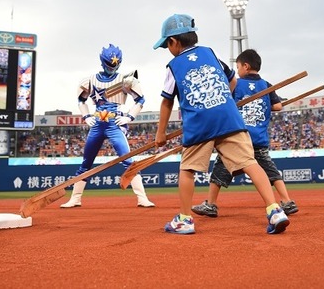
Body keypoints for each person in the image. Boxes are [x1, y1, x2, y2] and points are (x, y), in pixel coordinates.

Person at [153, 14, 289, 235]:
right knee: (249, 162)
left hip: (199, 122)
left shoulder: (173, 65)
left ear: (174, 42)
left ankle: (185, 219)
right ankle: (275, 210)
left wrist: (161, 133)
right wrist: (221, 101)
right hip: (229, 118)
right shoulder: (210, 53)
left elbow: (167, 101)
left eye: (166, 45)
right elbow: (233, 81)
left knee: (187, 169)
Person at [192, 49, 299, 218]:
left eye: (238, 66)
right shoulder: (266, 85)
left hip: (239, 138)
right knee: (271, 172)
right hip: (259, 138)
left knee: (220, 170)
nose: (238, 70)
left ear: (246, 66)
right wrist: (262, 102)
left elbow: (225, 103)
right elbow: (278, 106)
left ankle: (211, 204)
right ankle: (287, 201)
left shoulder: (236, 84)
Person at [60, 44, 155, 208]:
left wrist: (129, 117)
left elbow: (141, 100)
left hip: (114, 123)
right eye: (110, 64)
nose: (112, 67)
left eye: (115, 64)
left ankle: (142, 198)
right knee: (86, 163)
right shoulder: (90, 80)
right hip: (97, 124)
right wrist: (86, 116)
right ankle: (75, 198)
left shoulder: (125, 80)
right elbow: (81, 100)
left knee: (128, 161)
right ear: (102, 62)